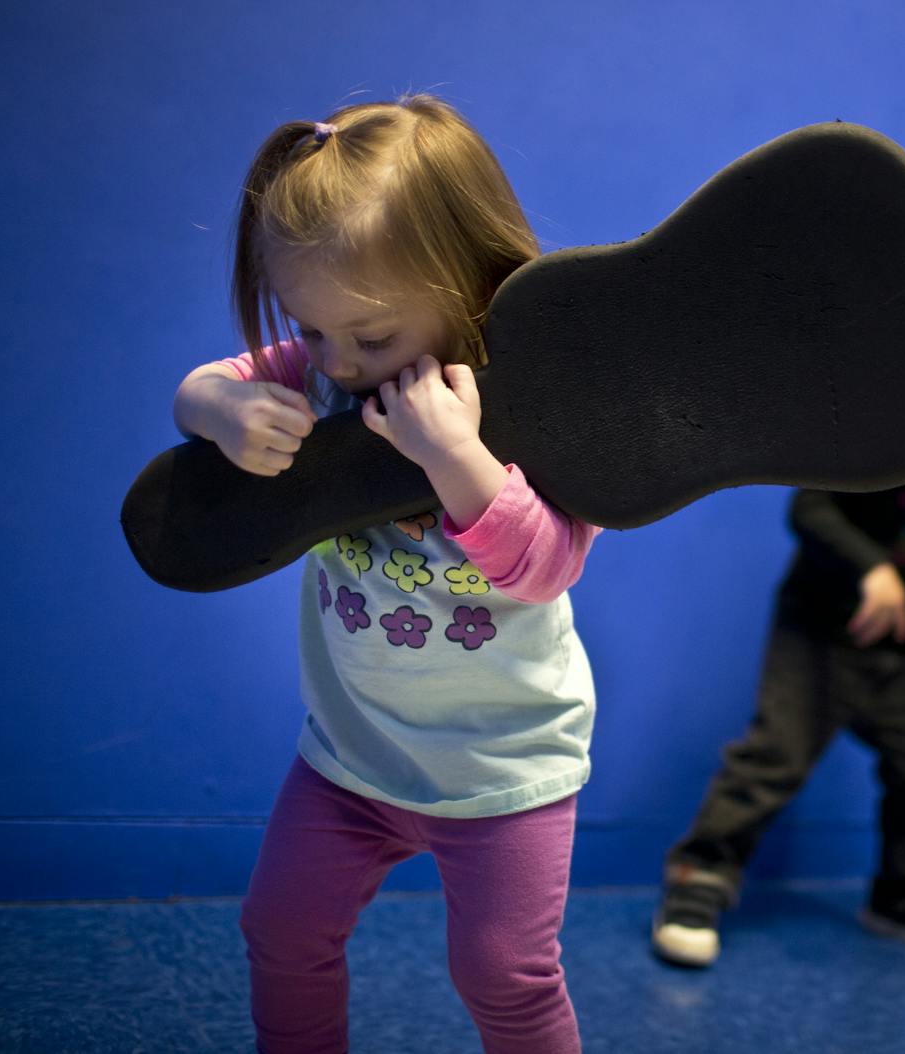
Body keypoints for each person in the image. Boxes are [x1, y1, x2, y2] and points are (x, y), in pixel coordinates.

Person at [171, 95, 596, 1054]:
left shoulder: (546, 403)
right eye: (312, 332)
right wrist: (220, 413)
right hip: (352, 755)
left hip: (505, 768)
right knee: (280, 933)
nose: (338, 366)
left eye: (370, 339)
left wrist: (458, 461)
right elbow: (202, 386)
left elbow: (546, 568)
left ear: (469, 288)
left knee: (505, 977)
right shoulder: (323, 372)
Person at [652, 247, 905, 968]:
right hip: (818, 628)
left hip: (891, 649)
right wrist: (873, 569)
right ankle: (700, 874)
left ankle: (898, 896)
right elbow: (810, 510)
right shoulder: (875, 434)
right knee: (773, 757)